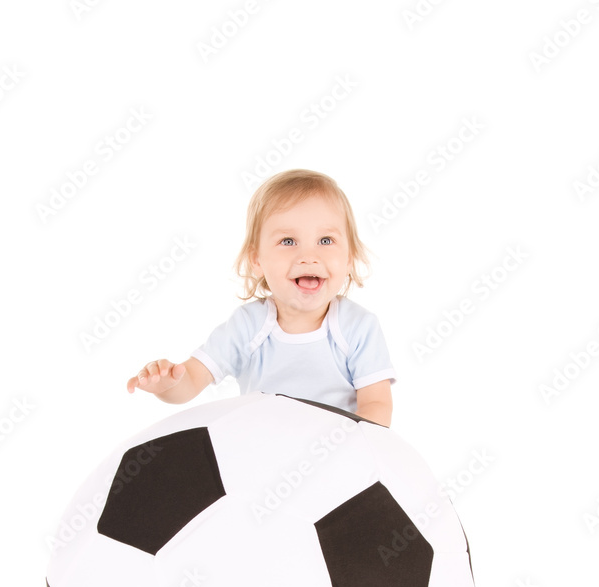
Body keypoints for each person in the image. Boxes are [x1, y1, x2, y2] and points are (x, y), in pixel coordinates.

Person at [126, 169, 397, 426]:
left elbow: (377, 406)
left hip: (335, 450)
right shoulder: (248, 326)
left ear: (349, 258)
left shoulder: (358, 327)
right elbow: (193, 379)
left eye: (325, 240)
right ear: (257, 260)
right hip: (261, 450)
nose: (308, 256)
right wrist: (168, 384)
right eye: (288, 241)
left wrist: (343, 444)